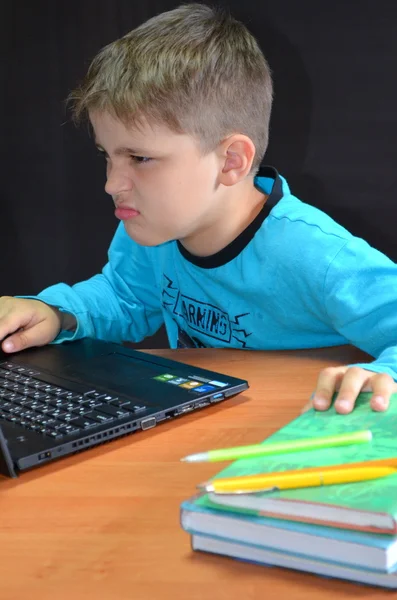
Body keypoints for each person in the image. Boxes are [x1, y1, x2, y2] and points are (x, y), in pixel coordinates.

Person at [1, 4, 396, 416]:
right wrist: (55, 313)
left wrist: (382, 378)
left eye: (139, 158)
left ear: (230, 161)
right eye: (107, 155)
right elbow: (124, 297)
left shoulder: (318, 255)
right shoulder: (155, 228)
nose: (111, 184)